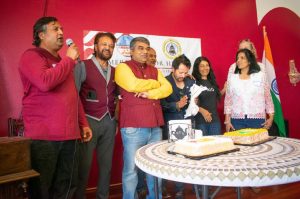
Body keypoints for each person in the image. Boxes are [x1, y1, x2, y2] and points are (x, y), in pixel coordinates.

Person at [18, 16, 92, 199]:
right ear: (41, 35)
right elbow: (44, 82)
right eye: (55, 29)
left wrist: (83, 123)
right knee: (42, 188)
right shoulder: (31, 56)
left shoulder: (63, 62)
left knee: (67, 186)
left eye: (61, 29)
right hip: (44, 138)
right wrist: (68, 60)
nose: (61, 32)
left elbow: (73, 95)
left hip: (70, 136)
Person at [115, 37, 172, 199]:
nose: (145, 51)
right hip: (134, 127)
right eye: (140, 48)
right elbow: (132, 85)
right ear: (131, 51)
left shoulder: (154, 70)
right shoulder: (122, 67)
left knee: (155, 168)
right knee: (131, 170)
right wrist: (155, 84)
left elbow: (167, 88)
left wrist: (150, 93)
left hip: (155, 127)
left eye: (147, 48)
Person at [74, 32, 118, 199]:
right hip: (88, 122)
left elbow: (117, 97)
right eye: (104, 44)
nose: (108, 48)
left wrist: (117, 121)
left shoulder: (115, 71)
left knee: (106, 166)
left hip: (109, 122)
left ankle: (103, 196)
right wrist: (80, 123)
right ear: (95, 46)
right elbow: (74, 95)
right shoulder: (82, 65)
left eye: (111, 46)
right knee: (83, 167)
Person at [160, 54, 195, 199]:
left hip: (188, 125)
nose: (183, 75)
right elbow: (160, 105)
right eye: (180, 72)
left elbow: (194, 102)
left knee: (184, 158)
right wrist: (176, 105)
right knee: (168, 158)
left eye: (186, 72)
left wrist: (194, 102)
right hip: (169, 126)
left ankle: (180, 189)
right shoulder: (164, 82)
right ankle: (162, 188)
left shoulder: (190, 81)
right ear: (172, 69)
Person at [224, 48, 274, 132]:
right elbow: (228, 100)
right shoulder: (232, 78)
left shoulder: (260, 76)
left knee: (257, 144)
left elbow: (268, 98)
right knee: (238, 145)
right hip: (237, 120)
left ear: (250, 61)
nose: (238, 60)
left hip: (257, 120)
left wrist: (271, 117)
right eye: (237, 58)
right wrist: (227, 120)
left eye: (242, 58)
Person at [136, 46, 157, 198]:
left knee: (154, 159)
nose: (153, 58)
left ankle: (154, 192)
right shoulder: (137, 76)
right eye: (150, 55)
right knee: (138, 159)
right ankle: (140, 188)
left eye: (155, 56)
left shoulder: (159, 75)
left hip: (157, 122)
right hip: (139, 124)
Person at [192, 57, 223, 135]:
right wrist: (202, 110)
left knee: (216, 146)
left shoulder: (212, 82)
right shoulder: (193, 82)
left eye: (207, 65)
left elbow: (215, 96)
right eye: (202, 66)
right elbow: (190, 103)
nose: (205, 68)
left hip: (215, 121)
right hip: (200, 122)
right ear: (197, 68)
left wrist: (224, 90)